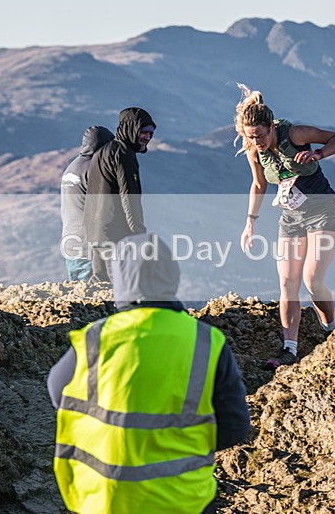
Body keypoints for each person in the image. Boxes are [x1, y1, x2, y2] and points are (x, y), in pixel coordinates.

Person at [48, 233, 250, 514]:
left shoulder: (97, 337)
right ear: (171, 275)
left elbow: (58, 391)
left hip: (104, 499)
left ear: (119, 279)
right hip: (182, 500)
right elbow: (235, 428)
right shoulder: (205, 341)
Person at [234, 84, 335, 369]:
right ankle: (290, 349)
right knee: (287, 283)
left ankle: (331, 330)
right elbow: (259, 184)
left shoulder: (295, 133)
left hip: (324, 211)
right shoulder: (254, 151)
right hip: (291, 217)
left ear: (271, 127)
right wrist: (250, 223)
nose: (256, 141)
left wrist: (318, 154)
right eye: (250, 137)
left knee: (312, 280)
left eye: (259, 135)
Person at [84, 107, 156, 283]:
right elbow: (129, 198)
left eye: (150, 133)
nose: (147, 137)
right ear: (131, 128)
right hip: (114, 236)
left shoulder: (101, 153)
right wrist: (139, 234)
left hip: (95, 233)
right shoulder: (123, 154)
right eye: (143, 132)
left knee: (100, 287)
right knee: (122, 285)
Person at [60, 126, 115, 281]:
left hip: (71, 244)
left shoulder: (72, 168)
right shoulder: (94, 170)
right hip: (89, 248)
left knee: (80, 297)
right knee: (95, 299)